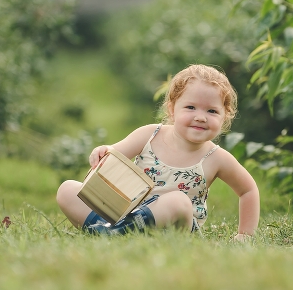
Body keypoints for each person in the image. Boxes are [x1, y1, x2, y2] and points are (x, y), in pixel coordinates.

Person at [56, 64, 259, 241]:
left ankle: (111, 233)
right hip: (128, 212)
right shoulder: (150, 134)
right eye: (190, 107)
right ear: (172, 109)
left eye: (212, 111)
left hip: (175, 226)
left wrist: (245, 234)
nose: (201, 117)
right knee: (68, 189)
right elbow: (115, 153)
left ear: (225, 116)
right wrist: (104, 151)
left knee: (178, 201)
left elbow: (248, 190)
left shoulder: (217, 158)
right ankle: (111, 231)